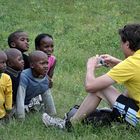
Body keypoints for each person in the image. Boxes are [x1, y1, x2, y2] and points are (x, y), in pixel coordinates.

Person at [42, 23, 140, 129]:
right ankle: (114, 118)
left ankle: (68, 125)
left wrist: (90, 67)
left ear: (127, 44)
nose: (120, 46)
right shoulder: (135, 61)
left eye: (121, 42)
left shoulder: (131, 64)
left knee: (101, 88)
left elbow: (90, 86)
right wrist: (117, 62)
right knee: (127, 88)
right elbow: (135, 71)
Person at [16, 50, 56, 120]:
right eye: (42, 64)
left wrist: (52, 114)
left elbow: (47, 96)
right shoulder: (24, 76)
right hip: (16, 103)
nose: (46, 66)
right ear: (32, 65)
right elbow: (20, 98)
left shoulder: (45, 77)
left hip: (30, 101)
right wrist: (20, 118)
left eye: (47, 63)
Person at [34, 33, 57, 114]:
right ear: (37, 48)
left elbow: (50, 76)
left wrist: (50, 80)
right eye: (46, 47)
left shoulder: (53, 59)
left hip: (43, 83)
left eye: (52, 46)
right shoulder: (33, 59)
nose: (50, 49)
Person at [0, 51, 12, 123]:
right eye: (2, 62)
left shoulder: (6, 78)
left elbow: (8, 94)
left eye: (5, 62)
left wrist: (8, 109)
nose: (5, 65)